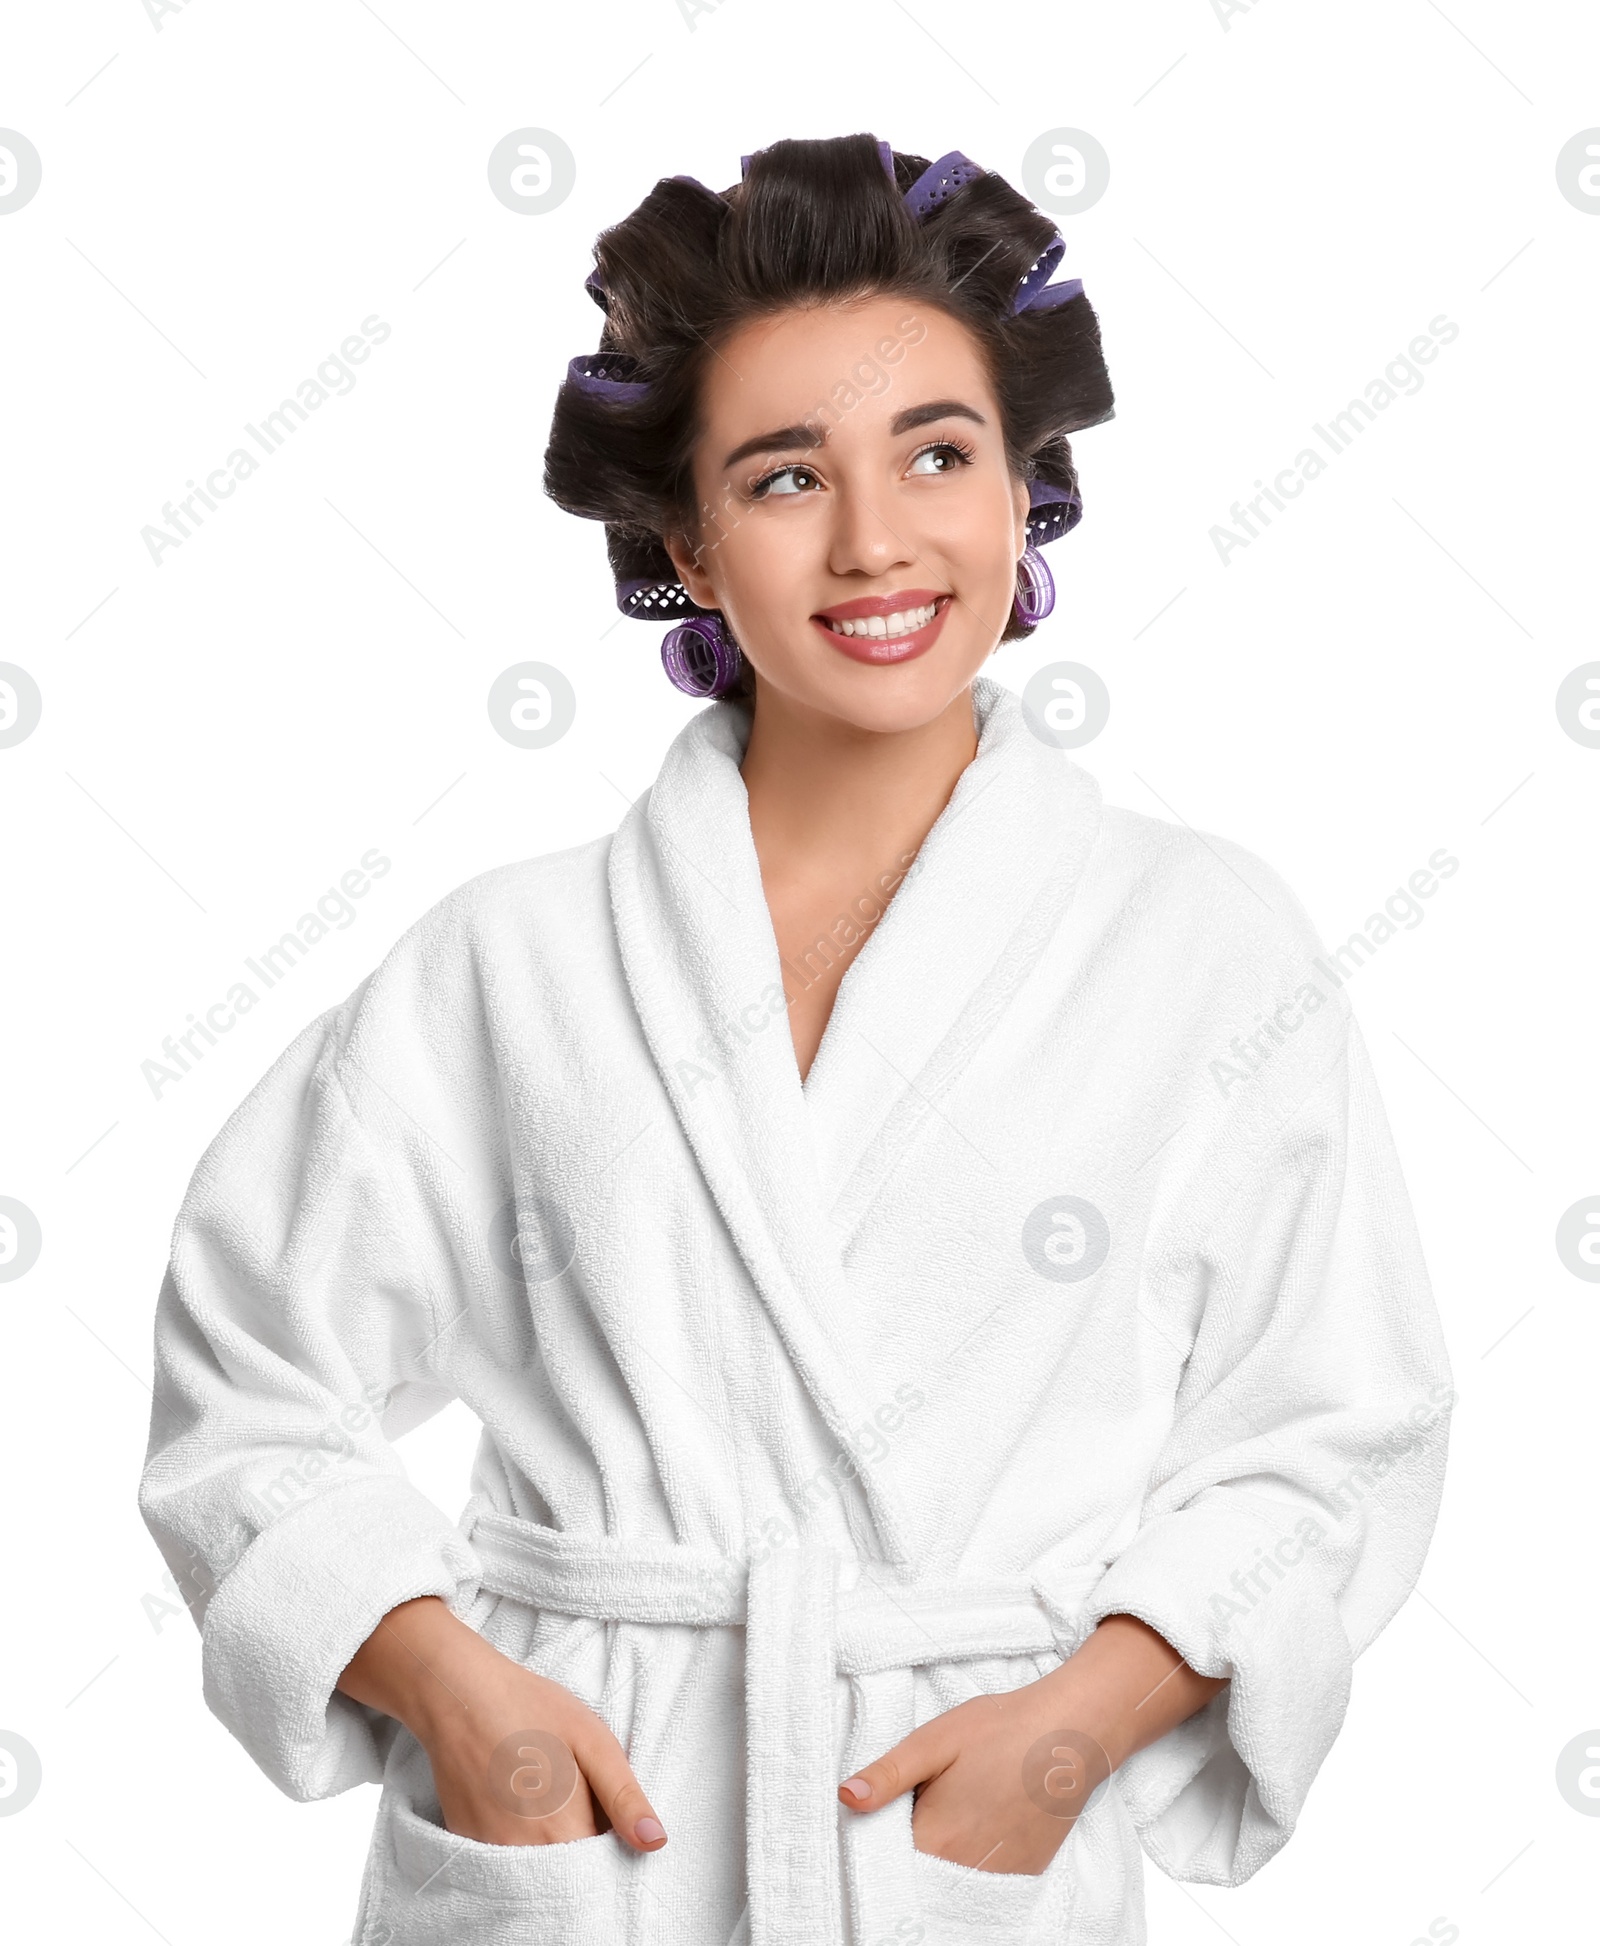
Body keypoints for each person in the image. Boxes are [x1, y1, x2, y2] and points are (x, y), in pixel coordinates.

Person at [138, 133, 1454, 1946]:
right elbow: (246, 1386)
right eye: (782, 477)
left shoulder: (1202, 944)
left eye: (938, 452)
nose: (875, 540)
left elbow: (1333, 1423)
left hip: (964, 1839)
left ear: (1022, 497)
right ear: (686, 543)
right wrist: (460, 1696)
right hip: (596, 1837)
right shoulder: (509, 962)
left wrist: (1072, 1733)